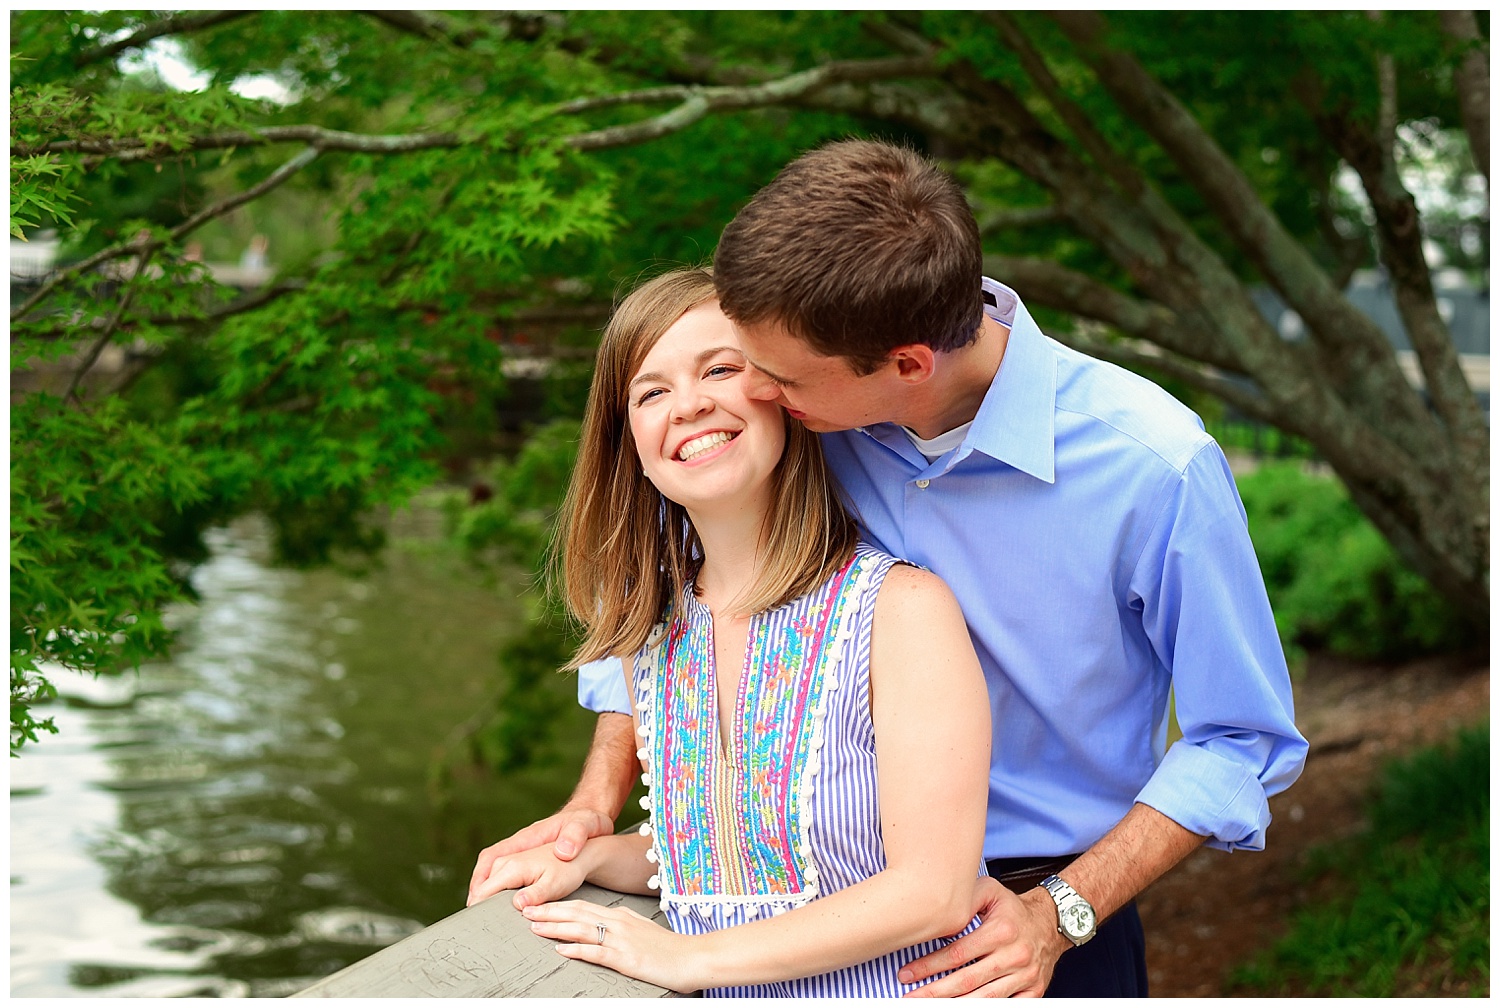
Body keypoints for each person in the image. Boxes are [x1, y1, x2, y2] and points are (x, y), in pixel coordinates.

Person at [471, 140, 1309, 996]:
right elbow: (666, 594)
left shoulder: (1153, 468)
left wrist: (1063, 912)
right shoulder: (817, 411)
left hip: (1042, 912)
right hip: (827, 891)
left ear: (908, 363)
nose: (750, 391)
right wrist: (591, 806)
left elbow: (1238, 740)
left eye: (770, 373)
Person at [469, 268, 993, 996]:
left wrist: (688, 960)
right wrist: (587, 860)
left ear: (786, 399)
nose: (688, 405)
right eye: (650, 392)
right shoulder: (651, 633)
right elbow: (726, 849)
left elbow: (932, 893)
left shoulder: (899, 610)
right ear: (632, 449)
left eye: (719, 368)